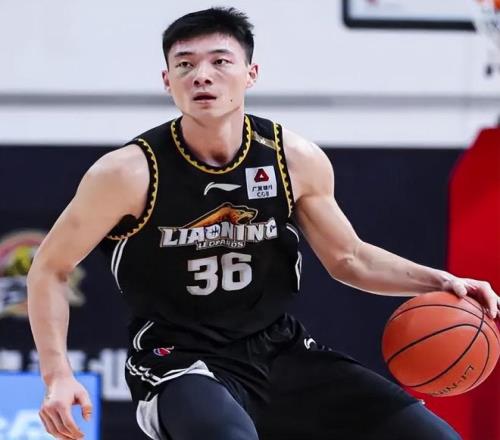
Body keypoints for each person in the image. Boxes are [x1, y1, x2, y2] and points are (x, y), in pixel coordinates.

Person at [27, 7, 499, 440]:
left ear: (251, 74)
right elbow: (49, 268)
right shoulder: (127, 173)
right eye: (185, 65)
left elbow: (349, 258)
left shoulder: (293, 158)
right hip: (178, 360)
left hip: (278, 349)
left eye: (220, 61)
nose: (202, 75)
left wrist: (440, 281)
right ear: (167, 81)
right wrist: (57, 375)